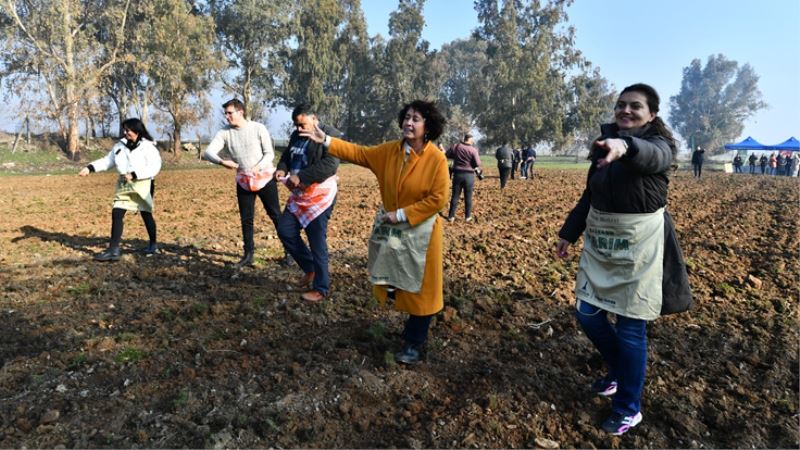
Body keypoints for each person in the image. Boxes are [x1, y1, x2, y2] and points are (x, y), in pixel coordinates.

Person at [556, 83, 691, 436]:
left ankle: (628, 407)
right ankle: (620, 370)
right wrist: (568, 233)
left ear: (651, 115)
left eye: (635, 106)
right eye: (620, 105)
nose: (625, 111)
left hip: (639, 252)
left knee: (631, 329)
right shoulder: (603, 147)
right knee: (587, 313)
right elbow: (590, 196)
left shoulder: (658, 147)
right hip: (601, 248)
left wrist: (625, 145)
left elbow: (652, 155)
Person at [300, 100, 449, 365]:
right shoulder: (390, 152)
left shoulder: (436, 158)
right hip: (393, 229)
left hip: (422, 230)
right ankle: (410, 327)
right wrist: (326, 141)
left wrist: (403, 214)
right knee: (395, 276)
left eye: (415, 119)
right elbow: (359, 153)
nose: (408, 123)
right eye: (406, 118)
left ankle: (415, 342)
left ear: (428, 127)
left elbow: (438, 199)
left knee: (421, 288)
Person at [203, 98, 285, 268]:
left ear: (241, 112)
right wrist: (222, 161)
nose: (227, 116)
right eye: (225, 113)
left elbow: (269, 154)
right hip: (243, 180)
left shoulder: (258, 128)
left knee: (275, 215)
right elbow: (209, 152)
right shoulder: (224, 133)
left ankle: (290, 251)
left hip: (265, 178)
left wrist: (257, 167)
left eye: (230, 113)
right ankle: (248, 255)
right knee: (246, 218)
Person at [274, 104, 342, 303]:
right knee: (285, 230)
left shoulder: (330, 135)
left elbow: (330, 165)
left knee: (316, 240)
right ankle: (310, 268)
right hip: (300, 194)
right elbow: (287, 155)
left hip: (320, 196)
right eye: (296, 125)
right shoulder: (297, 135)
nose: (299, 129)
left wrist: (302, 176)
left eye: (302, 124)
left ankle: (321, 288)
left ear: (314, 119)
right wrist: (281, 168)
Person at [79, 118, 162, 261]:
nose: (125, 132)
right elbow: (107, 161)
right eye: (124, 130)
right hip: (124, 184)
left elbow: (155, 166)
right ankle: (114, 250)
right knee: (117, 212)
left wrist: (135, 174)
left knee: (145, 213)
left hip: (144, 184)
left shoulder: (149, 147)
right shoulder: (119, 146)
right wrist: (89, 168)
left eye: (127, 130)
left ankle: (153, 244)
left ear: (137, 131)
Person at [445, 133, 481, 222]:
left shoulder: (456, 146)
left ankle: (451, 216)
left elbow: (447, 155)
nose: (473, 141)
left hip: (457, 174)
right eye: (472, 139)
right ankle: (468, 217)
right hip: (469, 175)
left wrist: (456, 157)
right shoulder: (473, 150)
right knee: (468, 196)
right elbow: (477, 163)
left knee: (455, 196)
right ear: (469, 139)